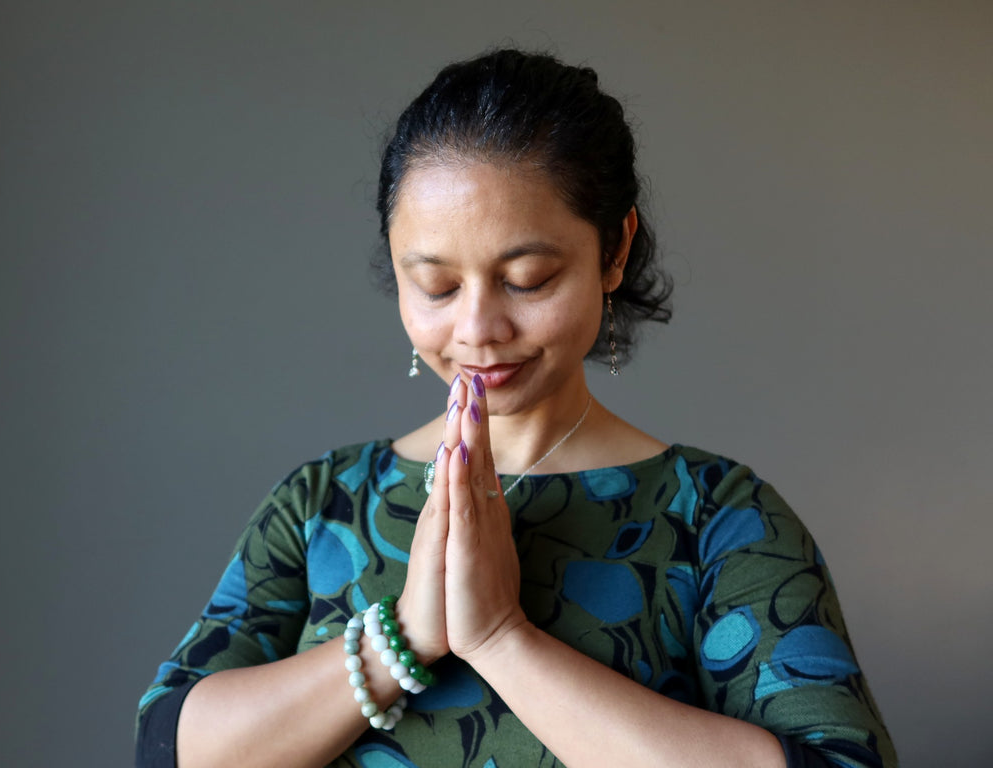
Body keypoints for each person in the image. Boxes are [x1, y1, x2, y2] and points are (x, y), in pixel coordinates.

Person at [136, 49, 897, 768]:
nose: (476, 329)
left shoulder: (716, 518)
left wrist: (503, 637)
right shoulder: (320, 508)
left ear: (614, 250)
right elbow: (168, 745)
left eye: (528, 278)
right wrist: (399, 641)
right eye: (435, 285)